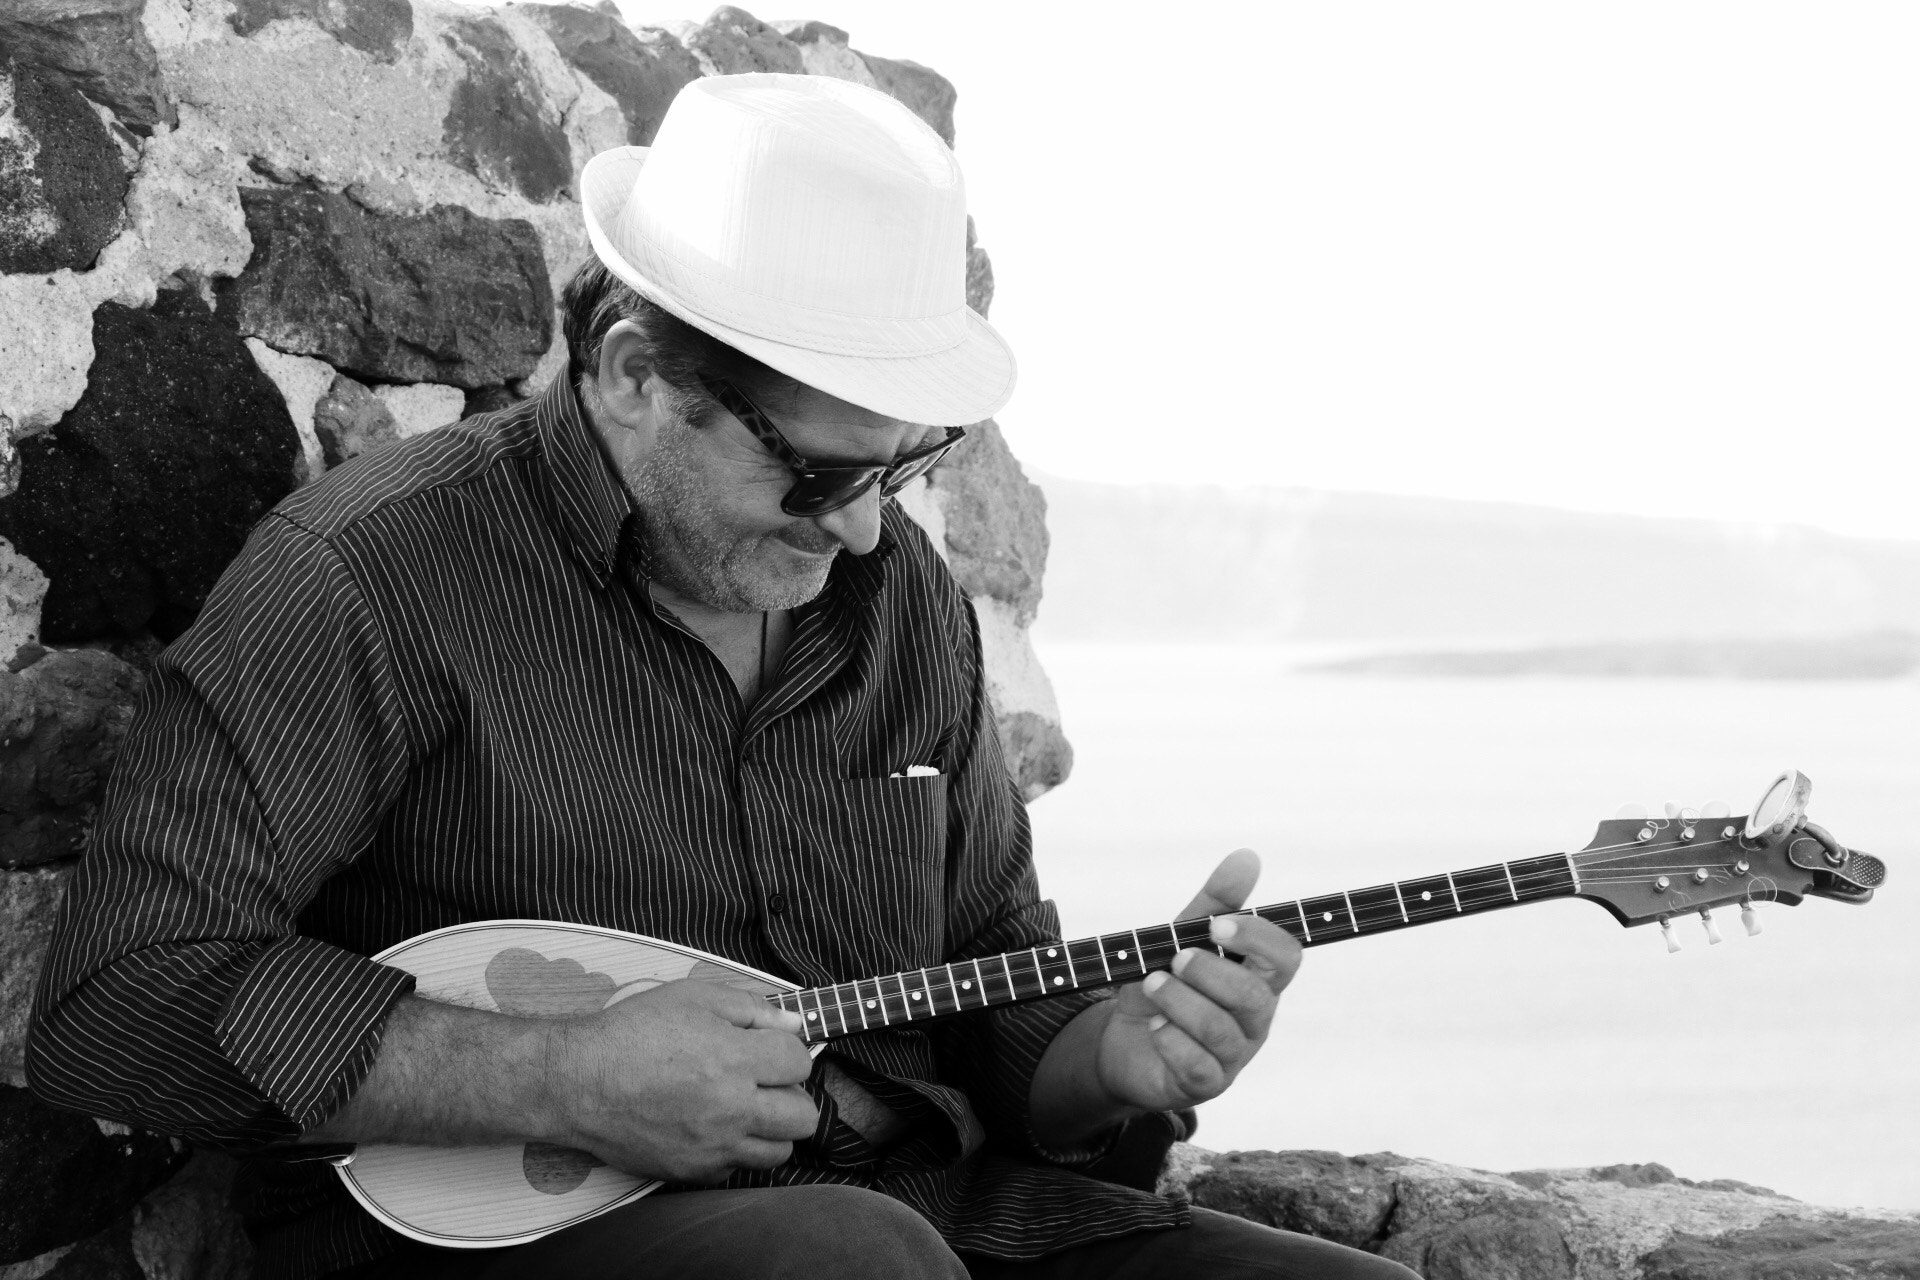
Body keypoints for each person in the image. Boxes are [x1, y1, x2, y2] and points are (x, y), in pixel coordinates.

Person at [28, 75, 1417, 1280]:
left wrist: (1115, 1057)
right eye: (818, 470)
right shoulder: (376, 575)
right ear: (637, 374)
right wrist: (568, 1078)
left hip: (925, 1221)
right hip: (504, 1252)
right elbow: (119, 1001)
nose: (866, 527)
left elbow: (989, 987)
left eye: (904, 468)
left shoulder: (900, 604)